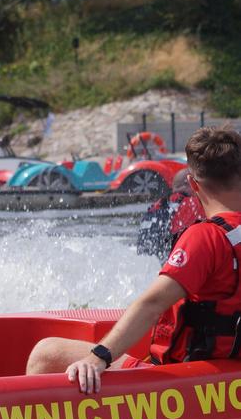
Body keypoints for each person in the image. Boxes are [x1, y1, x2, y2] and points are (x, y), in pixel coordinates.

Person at [27, 126, 241, 393]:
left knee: (46, 352)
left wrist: (99, 357)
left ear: (194, 185)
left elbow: (152, 304)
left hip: (188, 382)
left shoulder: (207, 237)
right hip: (229, 375)